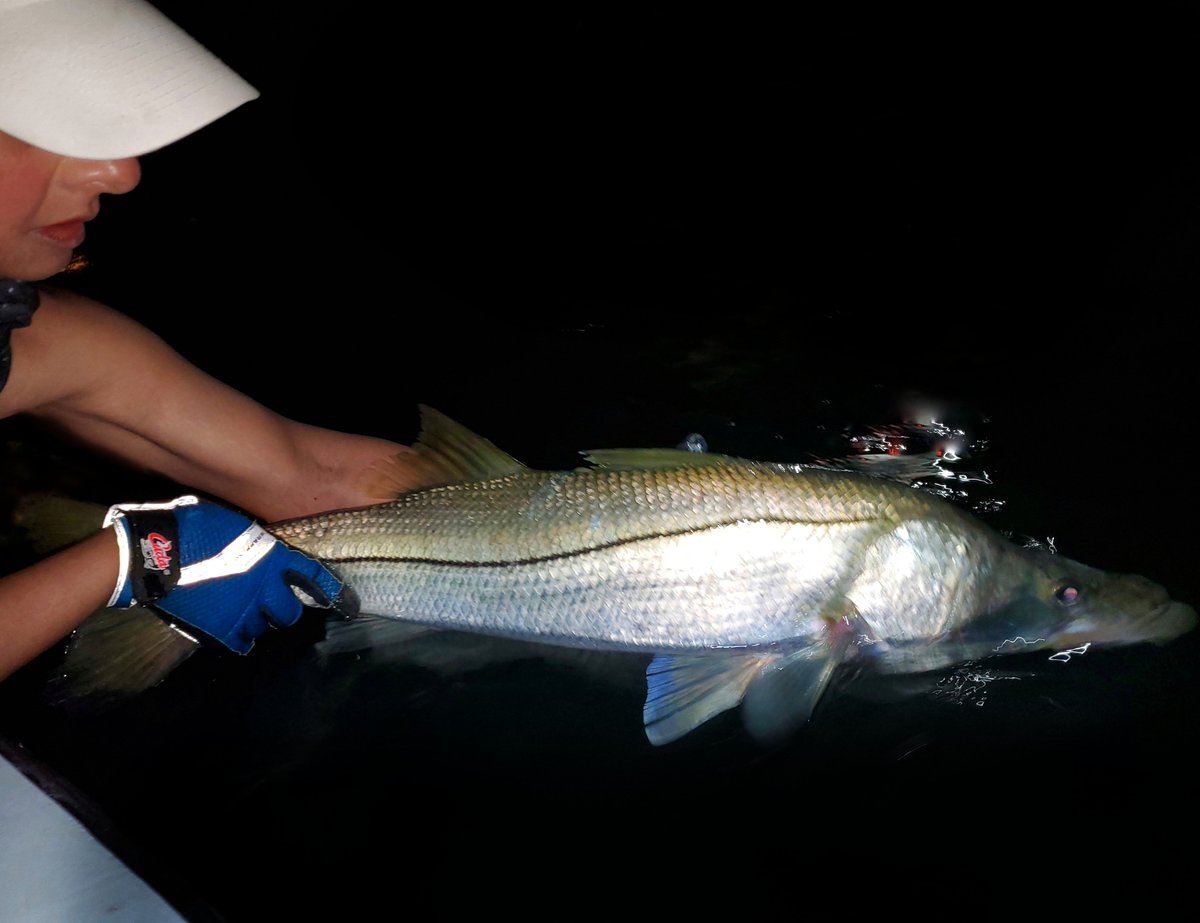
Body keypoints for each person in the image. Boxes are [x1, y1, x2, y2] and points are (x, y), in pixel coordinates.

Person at [0, 0, 421, 681]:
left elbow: (310, 475)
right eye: (34, 128)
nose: (122, 171)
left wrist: (583, 519)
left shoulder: (36, 340)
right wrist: (129, 559)